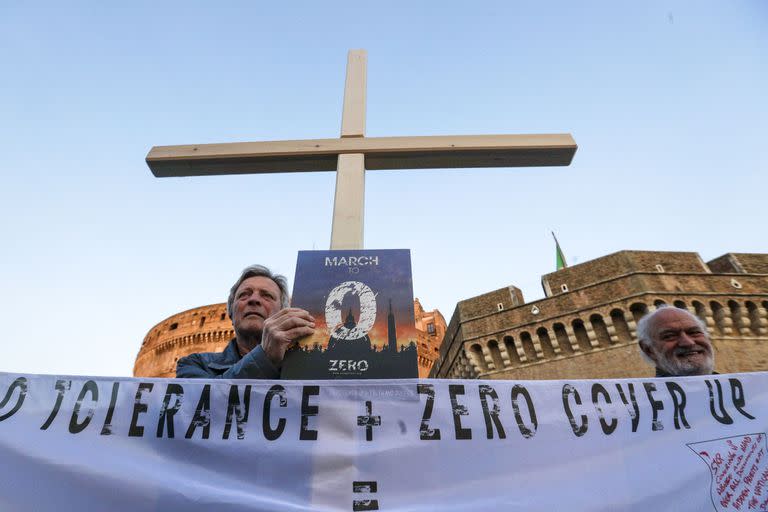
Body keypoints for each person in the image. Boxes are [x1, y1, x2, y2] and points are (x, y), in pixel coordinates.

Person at [176, 265, 315, 379]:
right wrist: (264, 357)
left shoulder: (306, 369)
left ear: (283, 312)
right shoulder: (193, 364)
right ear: (230, 313)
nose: (254, 299)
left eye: (267, 296)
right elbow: (204, 403)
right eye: (244, 295)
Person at [636, 305, 715, 377]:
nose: (688, 343)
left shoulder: (727, 386)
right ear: (649, 350)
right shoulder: (649, 393)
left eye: (694, 332)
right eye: (670, 336)